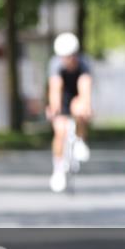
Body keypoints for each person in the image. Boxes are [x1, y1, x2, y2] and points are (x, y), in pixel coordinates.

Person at [46, 32, 93, 193]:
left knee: (79, 108)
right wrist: (54, 108)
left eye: (71, 56)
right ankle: (58, 169)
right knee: (60, 131)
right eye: (65, 57)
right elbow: (55, 88)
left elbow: (85, 86)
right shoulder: (55, 65)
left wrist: (86, 106)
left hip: (76, 95)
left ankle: (80, 140)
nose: (68, 60)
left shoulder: (84, 63)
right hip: (63, 96)